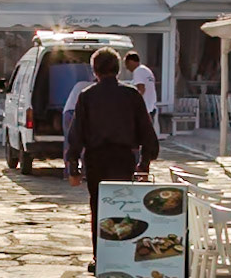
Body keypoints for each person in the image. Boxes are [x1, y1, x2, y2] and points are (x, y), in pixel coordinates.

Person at [66, 47, 159, 274]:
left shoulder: (87, 96)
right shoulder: (131, 96)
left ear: (94, 71)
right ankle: (122, 254)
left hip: (96, 159)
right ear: (118, 70)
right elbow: (148, 134)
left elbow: (76, 134)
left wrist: (74, 167)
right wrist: (144, 163)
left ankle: (101, 258)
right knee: (124, 208)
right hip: (123, 159)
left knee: (98, 207)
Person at [60, 75, 96, 168]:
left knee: (69, 142)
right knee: (86, 142)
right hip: (78, 111)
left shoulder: (80, 84)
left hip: (68, 111)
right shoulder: (95, 88)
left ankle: (68, 171)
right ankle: (85, 170)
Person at [124, 51, 160, 136]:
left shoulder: (138, 71)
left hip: (144, 109)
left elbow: (141, 89)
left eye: (126, 63)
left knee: (140, 134)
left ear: (131, 61)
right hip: (151, 107)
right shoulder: (146, 70)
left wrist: (133, 104)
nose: (127, 67)